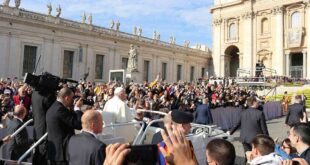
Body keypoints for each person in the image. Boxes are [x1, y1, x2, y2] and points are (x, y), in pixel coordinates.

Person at [46, 87, 83, 165]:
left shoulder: (54, 106)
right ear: (66, 98)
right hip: (61, 153)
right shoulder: (60, 109)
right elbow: (78, 124)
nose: (73, 100)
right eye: (72, 98)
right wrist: (77, 108)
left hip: (55, 152)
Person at [32, 89, 56, 165]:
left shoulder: (35, 93)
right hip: (45, 130)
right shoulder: (48, 96)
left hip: (37, 129)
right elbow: (53, 113)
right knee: (43, 155)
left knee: (38, 152)